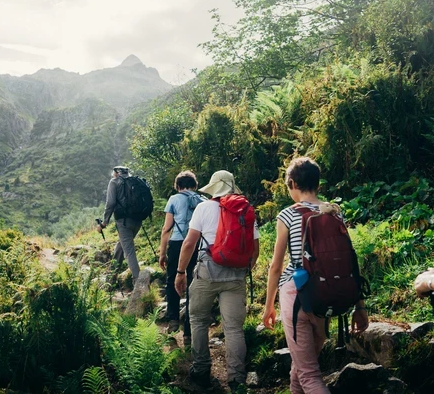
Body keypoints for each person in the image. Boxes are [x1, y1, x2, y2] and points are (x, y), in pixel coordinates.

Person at [262, 157, 369, 394]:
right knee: (301, 368)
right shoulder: (333, 213)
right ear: (318, 185)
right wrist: (359, 306)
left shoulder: (287, 215)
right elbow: (350, 261)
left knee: (309, 375)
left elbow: (276, 267)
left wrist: (269, 305)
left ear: (291, 183)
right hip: (324, 296)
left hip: (297, 295)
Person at [175, 170, 259, 390]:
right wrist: (241, 268)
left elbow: (189, 244)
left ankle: (201, 370)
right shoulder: (245, 209)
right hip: (236, 276)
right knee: (233, 329)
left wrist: (180, 272)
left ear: (213, 188)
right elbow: (255, 251)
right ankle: (237, 379)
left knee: (198, 320)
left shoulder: (203, 208)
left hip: (207, 272)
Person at [158, 171, 200, 338]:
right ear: (195, 186)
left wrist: (162, 253)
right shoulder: (202, 200)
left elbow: (166, 229)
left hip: (177, 244)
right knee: (192, 283)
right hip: (196, 244)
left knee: (171, 280)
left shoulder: (174, 199)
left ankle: (173, 320)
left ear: (178, 186)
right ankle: (189, 331)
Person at [98, 166, 141, 281]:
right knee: (121, 246)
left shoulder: (114, 182)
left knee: (129, 251)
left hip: (124, 222)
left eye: (113, 173)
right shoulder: (135, 181)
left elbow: (110, 203)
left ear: (117, 173)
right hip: (138, 220)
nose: (112, 175)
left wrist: (104, 222)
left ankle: (139, 283)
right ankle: (111, 279)